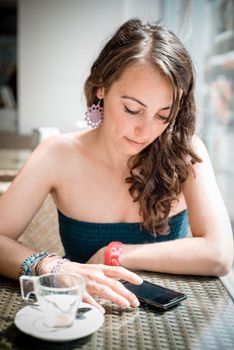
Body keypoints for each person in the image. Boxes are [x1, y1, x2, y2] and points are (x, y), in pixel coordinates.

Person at [0, 18, 233, 312]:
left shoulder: (185, 152)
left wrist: (115, 254)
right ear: (101, 87)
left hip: (174, 320)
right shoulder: (57, 154)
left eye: (163, 115)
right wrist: (51, 266)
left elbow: (220, 254)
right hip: (86, 315)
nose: (145, 131)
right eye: (132, 109)